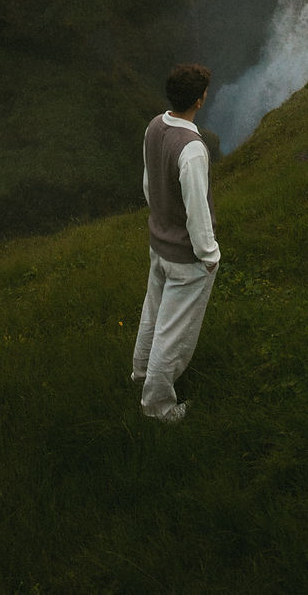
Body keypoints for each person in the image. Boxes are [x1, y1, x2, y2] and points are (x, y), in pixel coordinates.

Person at [131, 63, 220, 423]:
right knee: (173, 331)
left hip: (159, 240)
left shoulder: (155, 125)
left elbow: (149, 184)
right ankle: (158, 406)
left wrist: (161, 221)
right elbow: (198, 213)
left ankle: (139, 373)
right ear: (198, 100)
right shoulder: (193, 149)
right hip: (186, 257)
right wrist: (208, 255)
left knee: (153, 314)